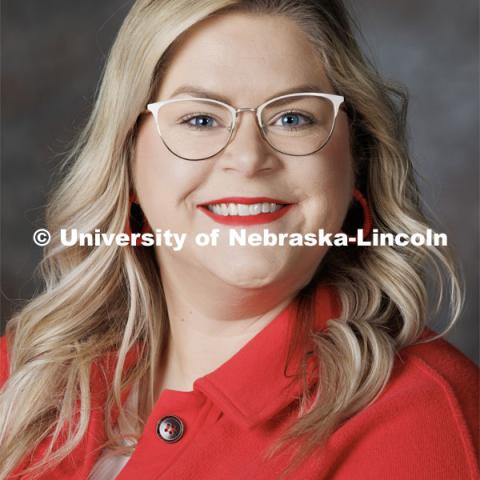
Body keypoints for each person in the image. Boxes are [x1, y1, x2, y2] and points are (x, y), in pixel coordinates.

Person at [0, 1, 478, 479]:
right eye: (201, 119)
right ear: (126, 155)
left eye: (292, 117)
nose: (248, 158)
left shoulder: (421, 418)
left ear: (356, 156)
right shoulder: (25, 373)